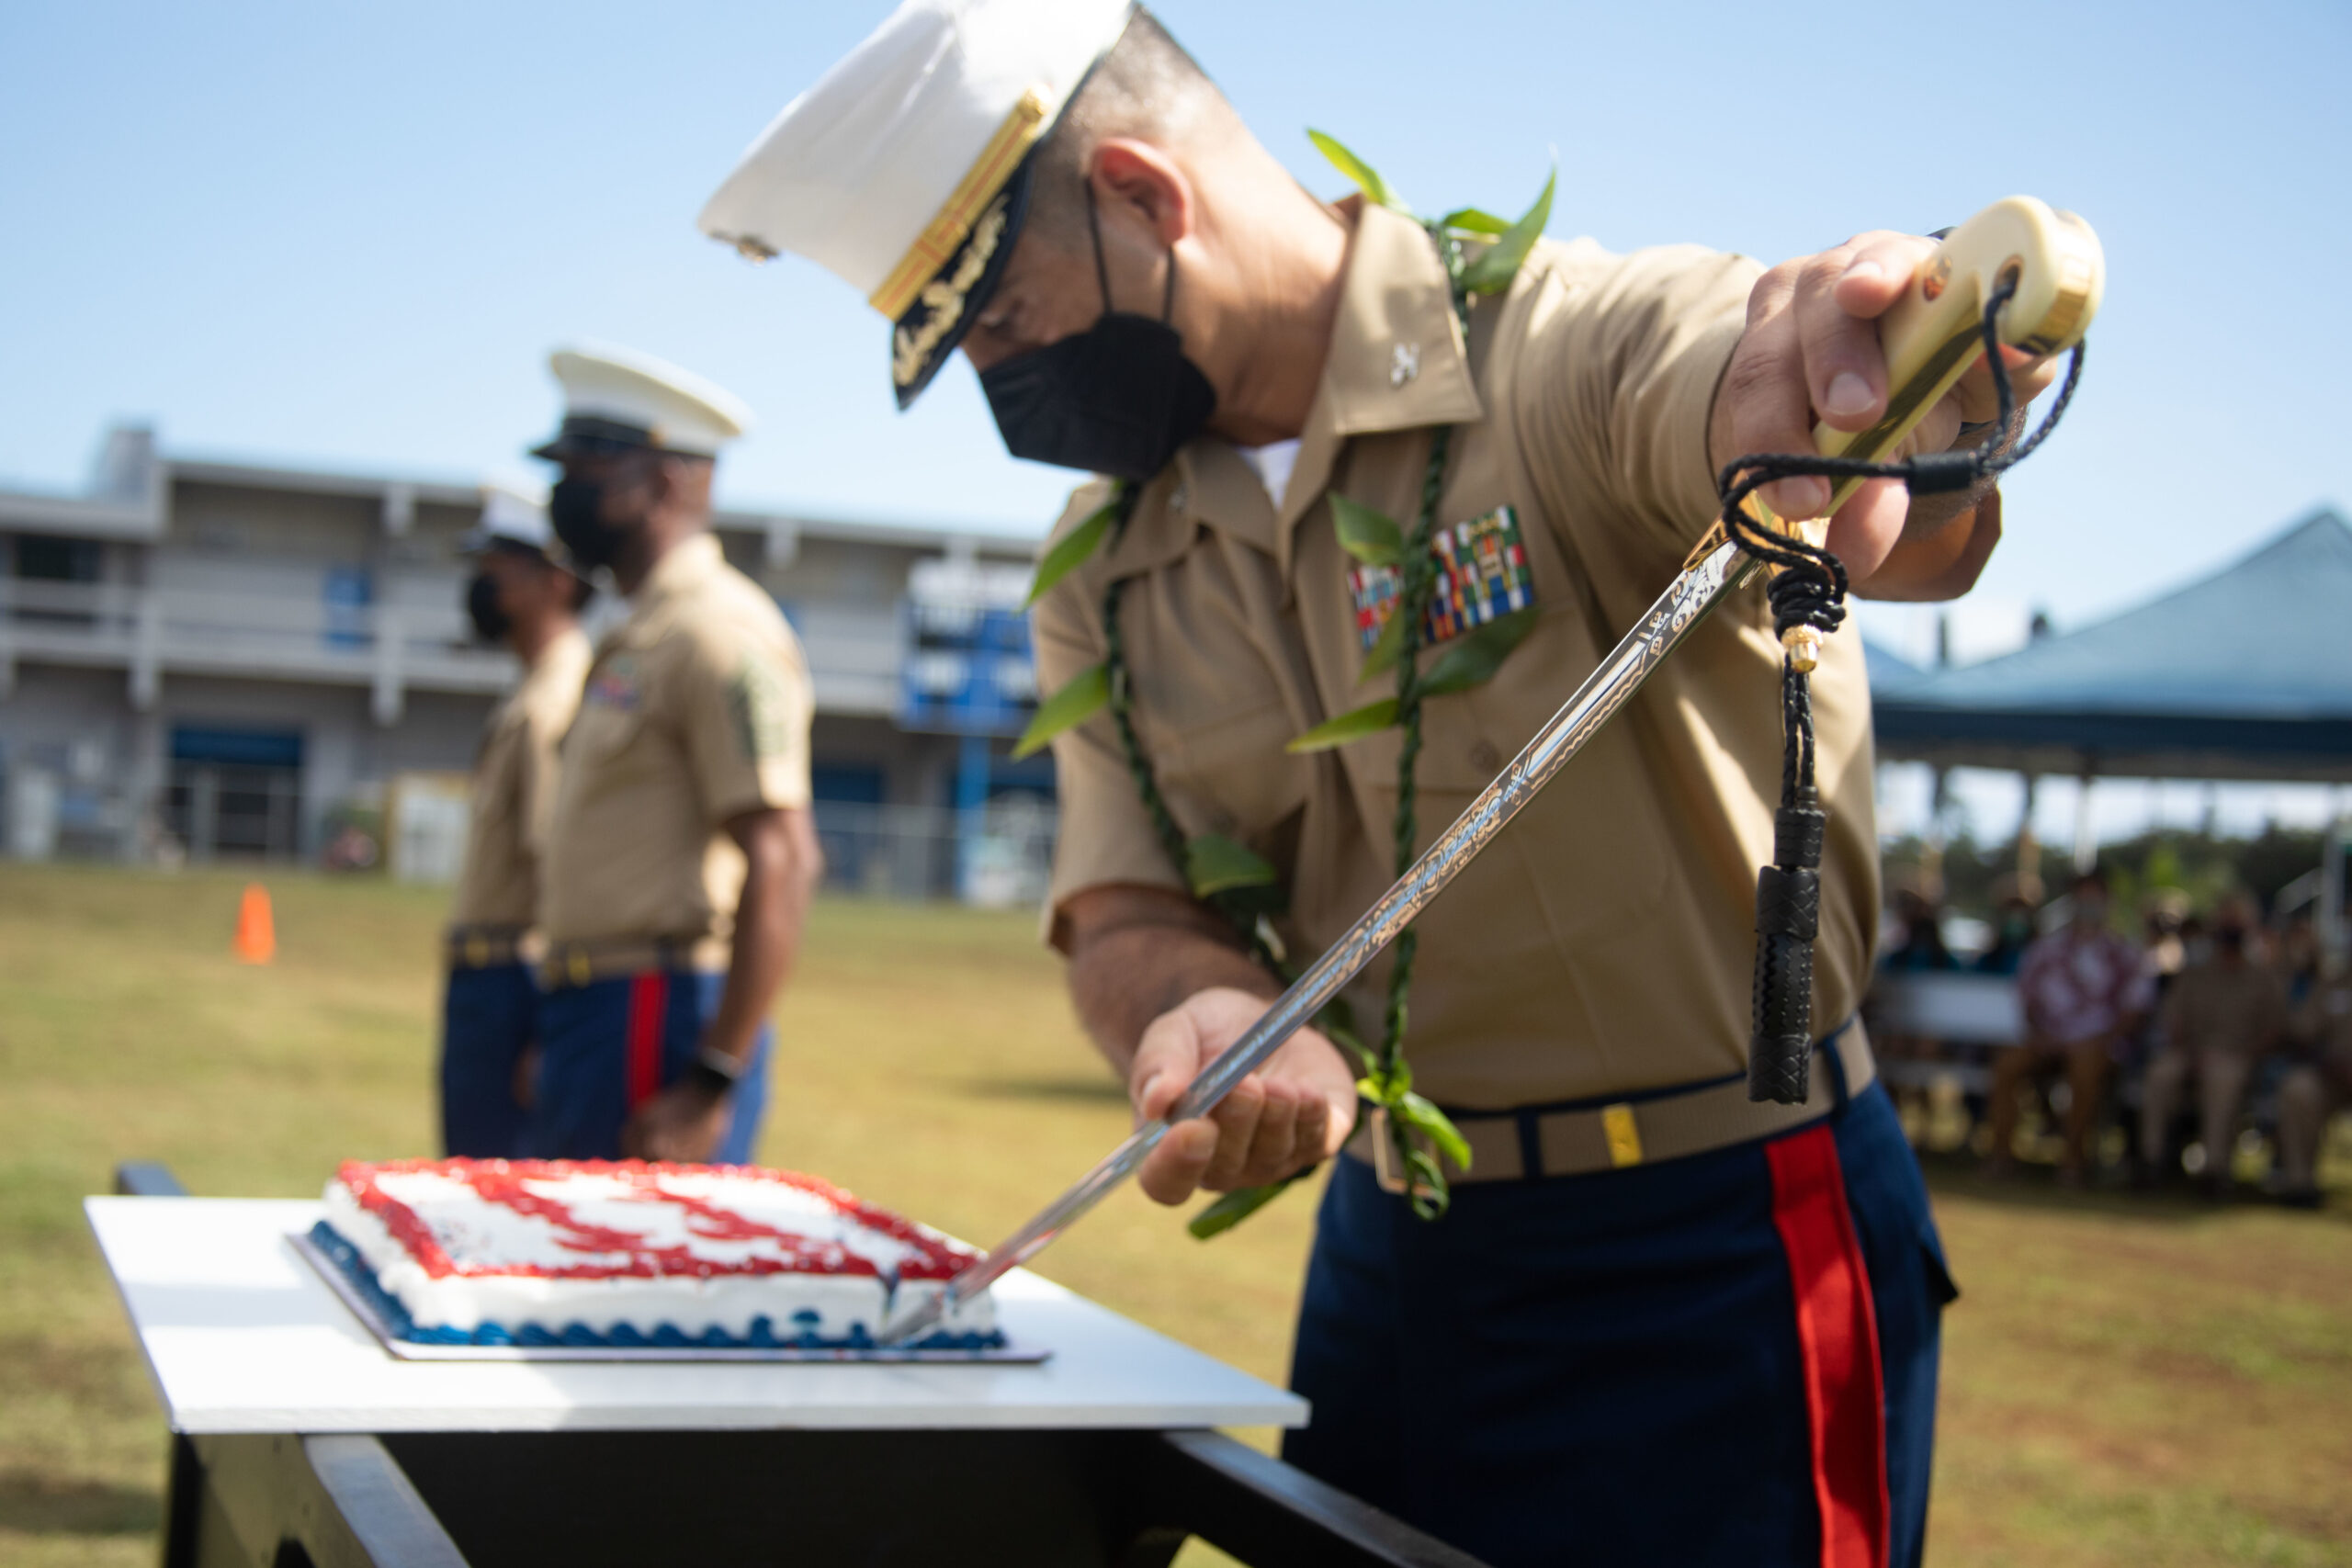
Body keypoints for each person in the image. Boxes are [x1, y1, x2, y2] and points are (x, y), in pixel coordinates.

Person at [697, 5, 2058, 1562]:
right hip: (1395, 1253)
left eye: (1002, 316)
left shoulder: (1544, 347)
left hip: (1714, 1245)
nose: (1000, 383)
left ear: (1144, 196)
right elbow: (1123, 897)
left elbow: (1730, 370)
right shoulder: (1110, 569)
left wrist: (1841, 374)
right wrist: (1191, 1006)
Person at [528, 345, 823, 1164]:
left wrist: (712, 1081)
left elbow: (785, 857)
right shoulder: (639, 630)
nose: (563, 495)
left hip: (656, 1011)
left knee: (621, 1277)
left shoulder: (716, 631)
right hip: (593, 1005)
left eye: (588, 470)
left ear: (665, 482)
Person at [438, 486, 594, 1156]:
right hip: (489, 980)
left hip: (513, 987)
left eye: (496, 570)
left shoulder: (553, 701)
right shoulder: (535, 690)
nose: (481, 587)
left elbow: (557, 873)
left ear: (554, 582)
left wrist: (541, 1027)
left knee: (489, 1190)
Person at [1985, 867, 2150, 1182]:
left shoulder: (2125, 953)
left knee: (2085, 1067)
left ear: (2108, 902)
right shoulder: (2047, 949)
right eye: (2081, 897)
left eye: (2094, 898)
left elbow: (2134, 1011)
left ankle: (2073, 1163)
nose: (2087, 905)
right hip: (2047, 1039)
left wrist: (2100, 1041)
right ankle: (2001, 1157)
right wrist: (2041, 1035)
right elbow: (2028, 1000)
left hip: (2098, 1045)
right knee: (2006, 1065)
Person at [2140, 896, 2288, 1195]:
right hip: (2189, 1052)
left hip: (2239, 1057)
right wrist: (2191, 1053)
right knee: (2160, 1074)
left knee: (2223, 1076)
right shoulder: (2195, 974)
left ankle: (2214, 1169)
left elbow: (2275, 1030)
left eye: (2237, 922)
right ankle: (2149, 1162)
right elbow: (2174, 1020)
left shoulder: (2264, 978)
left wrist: (2246, 1055)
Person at [2276, 964, 2351, 1207]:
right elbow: (2302, 1032)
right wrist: (2328, 1061)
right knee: (2298, 1088)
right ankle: (2300, 1184)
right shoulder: (2333, 984)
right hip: (2334, 1078)